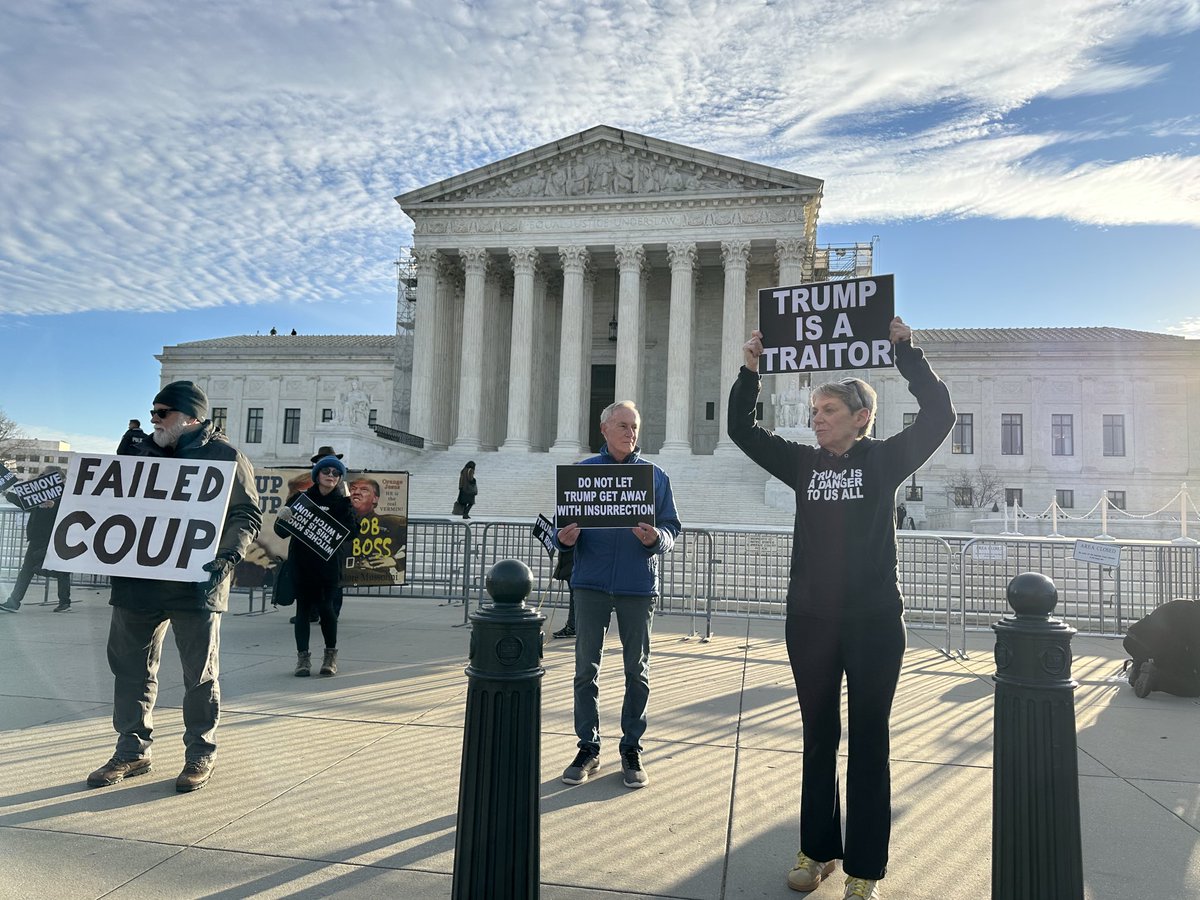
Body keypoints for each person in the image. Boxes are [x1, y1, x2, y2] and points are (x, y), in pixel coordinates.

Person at [728, 318, 954, 899]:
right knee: (818, 736)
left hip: (875, 622)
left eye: (828, 409)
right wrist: (750, 370)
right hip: (810, 621)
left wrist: (908, 353)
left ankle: (864, 870)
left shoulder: (883, 461)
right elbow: (741, 429)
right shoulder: (803, 464)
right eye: (815, 409)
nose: (817, 417)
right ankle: (818, 850)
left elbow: (939, 416)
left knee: (870, 742)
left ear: (860, 417)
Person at [87, 382, 261, 793]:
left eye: (162, 413)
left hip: (197, 581)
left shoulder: (225, 456)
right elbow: (108, 506)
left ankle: (201, 750)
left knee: (199, 675)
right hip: (138, 582)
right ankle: (132, 750)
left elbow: (246, 515)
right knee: (130, 668)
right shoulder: (138, 453)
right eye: (152, 413)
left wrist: (228, 557)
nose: (154, 420)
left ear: (191, 417)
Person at [555, 401, 682, 789]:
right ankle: (588, 747)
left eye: (635, 426)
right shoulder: (581, 474)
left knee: (636, 671)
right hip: (591, 583)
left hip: (636, 586)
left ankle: (631, 747)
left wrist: (657, 539)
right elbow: (563, 525)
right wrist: (565, 539)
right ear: (604, 429)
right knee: (585, 671)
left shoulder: (654, 476)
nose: (631, 433)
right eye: (623, 425)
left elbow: (672, 527)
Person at [277, 454, 354, 677]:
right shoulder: (300, 499)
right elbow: (281, 532)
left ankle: (330, 656)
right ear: (317, 475)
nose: (331, 476)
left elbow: (352, 533)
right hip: (302, 565)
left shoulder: (342, 503)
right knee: (302, 612)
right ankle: (303, 659)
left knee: (327, 609)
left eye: (336, 473)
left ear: (340, 478)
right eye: (326, 471)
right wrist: (283, 517)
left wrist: (347, 515)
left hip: (328, 566)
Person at [1, 468, 71, 613]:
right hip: (37, 537)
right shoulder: (39, 493)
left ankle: (15, 602)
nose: (39, 477)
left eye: (43, 475)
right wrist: (7, 494)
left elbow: (70, 510)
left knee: (38, 568)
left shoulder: (65, 494)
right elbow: (25, 504)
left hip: (53, 537)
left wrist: (54, 505)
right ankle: (14, 602)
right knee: (28, 569)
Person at [1124, 599, 1200, 698]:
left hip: (1131, 640)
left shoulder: (1185, 605)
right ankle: (1155, 678)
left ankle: (1139, 667)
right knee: (1194, 686)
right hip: (1153, 648)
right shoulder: (1195, 619)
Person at [345, 476, 408, 586]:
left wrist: (395, 561)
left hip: (377, 578)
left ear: (375, 499)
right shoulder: (338, 521)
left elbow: (409, 546)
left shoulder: (392, 523)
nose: (356, 492)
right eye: (353, 489)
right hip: (342, 579)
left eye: (364, 490)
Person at [551, 546, 576, 639]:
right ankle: (572, 626)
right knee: (575, 596)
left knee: (575, 597)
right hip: (571, 562)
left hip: (574, 564)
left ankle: (573, 627)